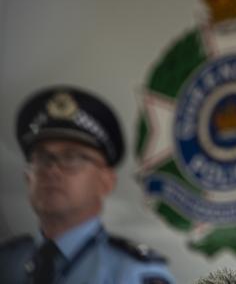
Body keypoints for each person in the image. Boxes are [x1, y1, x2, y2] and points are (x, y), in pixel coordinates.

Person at [0, 86, 176, 284]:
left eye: (72, 157)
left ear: (106, 182)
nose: (52, 170)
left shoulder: (133, 274)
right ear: (27, 176)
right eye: (42, 157)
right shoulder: (8, 261)